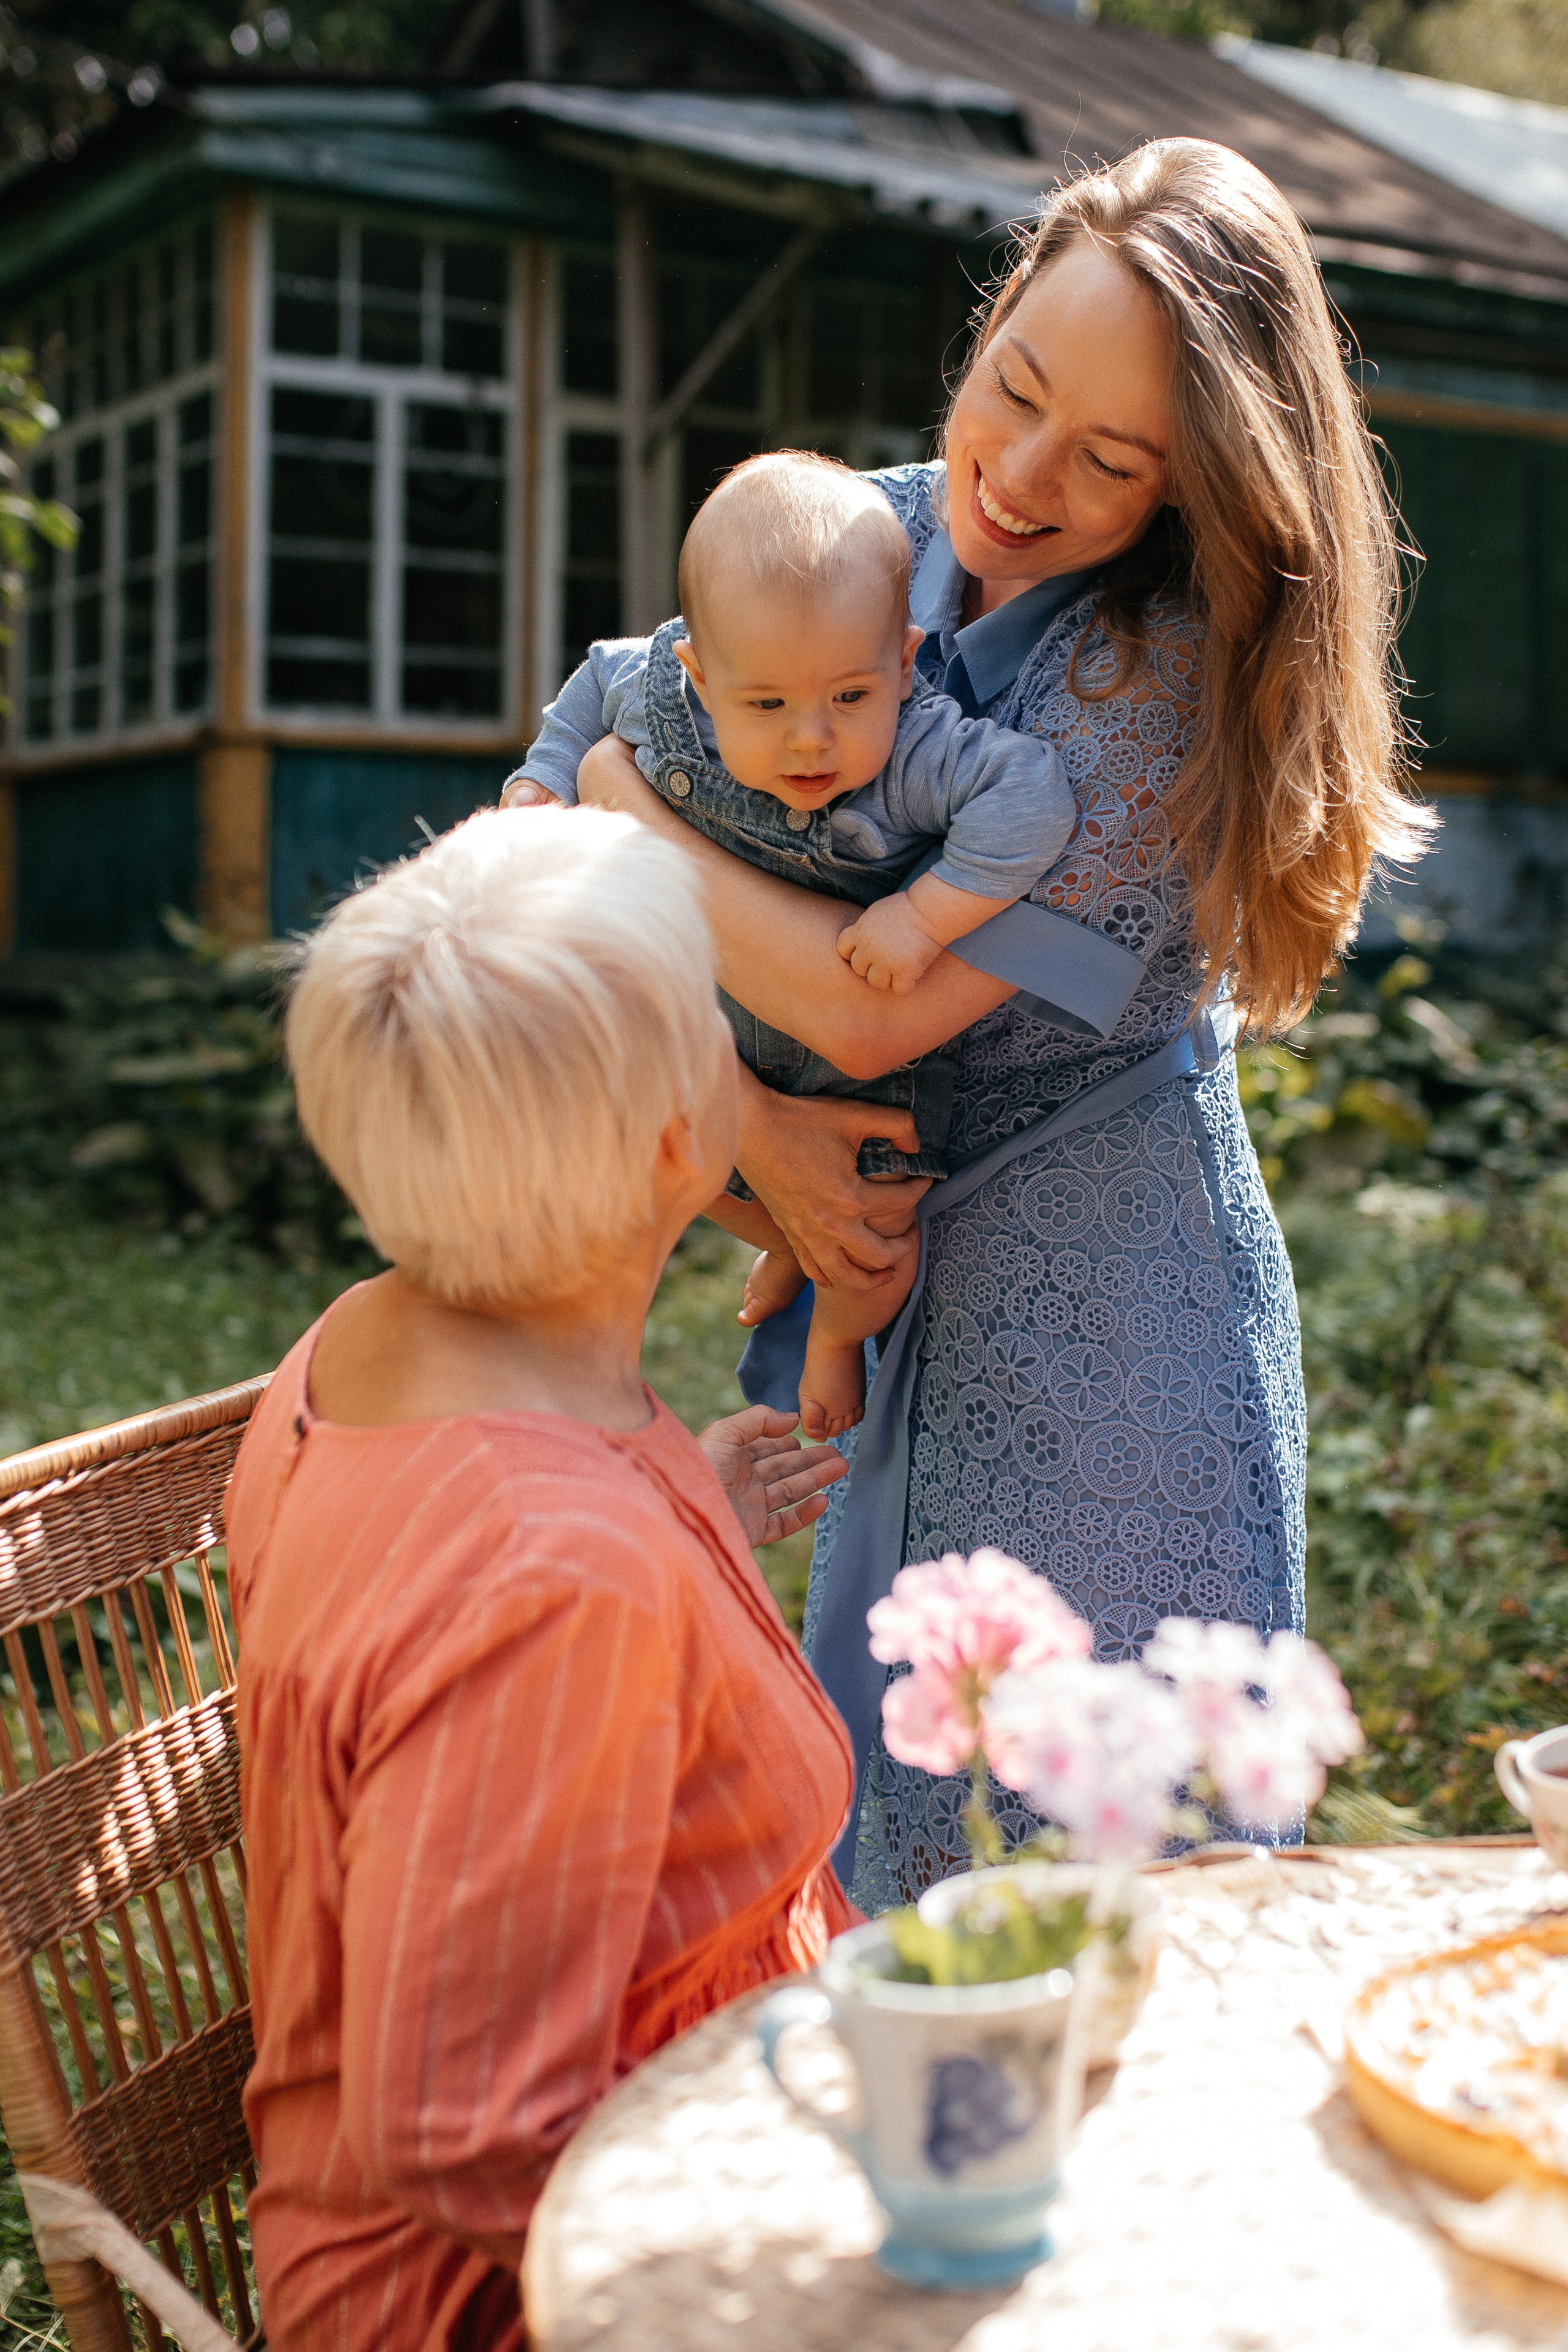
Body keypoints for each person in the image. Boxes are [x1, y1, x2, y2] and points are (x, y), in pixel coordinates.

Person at [566, 137, 1435, 1913]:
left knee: (1085, 1867)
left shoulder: (1157, 690)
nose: (1020, 478)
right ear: (988, 324)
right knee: (874, 1846)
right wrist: (743, 1137)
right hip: (893, 1284)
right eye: (1012, 389)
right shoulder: (865, 540)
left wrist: (610, 802)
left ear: (1203, 496)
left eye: (1111, 461)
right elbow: (577, 788)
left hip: (1109, 1339)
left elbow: (850, 1004)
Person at [225, 807, 855, 2351]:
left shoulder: (370, 1344)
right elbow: (470, 2133)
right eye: (716, 1017)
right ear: (666, 1147)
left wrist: (663, 1510)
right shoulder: (554, 1581)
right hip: (547, 2297)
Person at [503, 450, 1077, 1441]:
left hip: (850, 1085)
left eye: (850, 698)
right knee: (635, 1148)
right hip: (710, 1047)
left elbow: (1033, 800)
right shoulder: (655, 693)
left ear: (904, 663)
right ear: (695, 671)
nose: (811, 741)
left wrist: (926, 913)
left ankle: (830, 1333)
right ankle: (776, 1237)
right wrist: (542, 784)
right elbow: (590, 688)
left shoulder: (920, 750)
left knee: (877, 1234)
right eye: (765, 706)